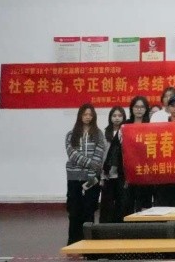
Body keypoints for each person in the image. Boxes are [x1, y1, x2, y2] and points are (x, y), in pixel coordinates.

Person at [65, 104, 106, 244]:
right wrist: (90, 163)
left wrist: (91, 172)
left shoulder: (98, 134)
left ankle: (88, 242)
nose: (88, 117)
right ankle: (73, 241)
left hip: (92, 178)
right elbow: (72, 154)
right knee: (74, 211)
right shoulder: (71, 134)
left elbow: (99, 155)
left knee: (89, 210)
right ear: (80, 116)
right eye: (85, 114)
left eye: (90, 115)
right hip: (74, 178)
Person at [99, 107, 127, 223]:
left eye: (120, 116)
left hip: (121, 175)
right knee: (107, 205)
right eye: (114, 116)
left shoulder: (126, 132)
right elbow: (102, 155)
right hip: (107, 175)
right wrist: (101, 176)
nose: (117, 118)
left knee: (121, 205)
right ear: (110, 118)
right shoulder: (104, 133)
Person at [124, 96, 152, 212]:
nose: (139, 110)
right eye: (136, 107)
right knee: (128, 202)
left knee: (144, 202)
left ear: (146, 109)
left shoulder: (150, 125)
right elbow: (118, 146)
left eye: (142, 107)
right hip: (129, 168)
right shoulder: (126, 125)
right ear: (132, 108)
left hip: (145, 169)